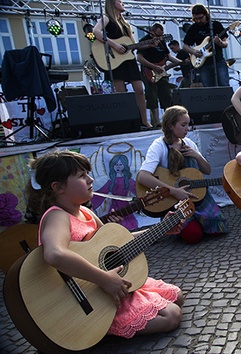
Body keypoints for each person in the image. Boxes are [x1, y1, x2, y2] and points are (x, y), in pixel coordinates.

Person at [27, 150, 183, 338]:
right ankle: (98, 325)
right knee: (171, 316)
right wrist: (104, 279)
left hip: (106, 286)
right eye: (82, 176)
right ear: (58, 187)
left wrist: (160, 230)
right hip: (92, 295)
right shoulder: (57, 216)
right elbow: (54, 254)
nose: (90, 179)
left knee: (177, 295)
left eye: (88, 174)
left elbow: (115, 245)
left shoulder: (86, 212)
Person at [136, 105, 228, 244]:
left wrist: (196, 156)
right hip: (174, 203)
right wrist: (174, 191)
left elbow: (207, 170)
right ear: (171, 126)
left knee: (218, 229)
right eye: (183, 125)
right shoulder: (159, 145)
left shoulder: (189, 143)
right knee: (194, 235)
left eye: (188, 124)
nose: (187, 128)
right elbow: (143, 176)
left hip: (197, 199)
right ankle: (179, 225)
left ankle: (197, 221)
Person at [93, 0, 151, 128]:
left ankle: (144, 120)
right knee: (121, 92)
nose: (122, 3)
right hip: (115, 59)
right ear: (113, 3)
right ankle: (128, 121)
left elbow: (132, 44)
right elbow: (95, 31)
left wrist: (149, 44)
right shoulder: (106, 18)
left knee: (140, 90)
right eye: (119, 1)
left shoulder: (125, 23)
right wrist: (114, 45)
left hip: (128, 59)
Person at [137, 23, 182, 128]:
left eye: (161, 35)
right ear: (152, 31)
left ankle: (168, 120)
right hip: (149, 71)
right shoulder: (144, 41)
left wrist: (181, 61)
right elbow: (139, 58)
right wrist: (153, 66)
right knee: (152, 95)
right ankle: (156, 121)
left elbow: (168, 56)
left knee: (166, 95)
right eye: (157, 35)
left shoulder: (161, 42)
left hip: (161, 72)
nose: (159, 38)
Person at [182, 3, 230, 87]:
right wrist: (194, 51)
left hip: (218, 60)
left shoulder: (215, 25)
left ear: (206, 15)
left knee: (224, 85)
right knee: (208, 87)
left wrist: (219, 42)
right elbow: (185, 46)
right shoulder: (193, 28)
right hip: (203, 64)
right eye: (196, 19)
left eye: (200, 18)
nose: (198, 21)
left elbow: (225, 44)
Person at [91, 154, 138, 230]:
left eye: (120, 164)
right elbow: (100, 194)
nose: (118, 166)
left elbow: (137, 191)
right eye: (116, 164)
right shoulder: (111, 181)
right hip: (114, 210)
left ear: (124, 165)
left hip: (126, 208)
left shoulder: (128, 181)